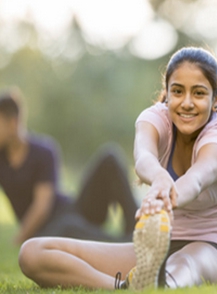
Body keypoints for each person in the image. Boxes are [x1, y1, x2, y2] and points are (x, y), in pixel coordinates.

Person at [18, 47, 217, 290]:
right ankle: (125, 287)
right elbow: (144, 157)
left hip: (210, 248)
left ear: (215, 99)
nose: (186, 103)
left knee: (185, 264)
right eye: (177, 91)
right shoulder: (154, 119)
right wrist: (160, 179)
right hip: (154, 250)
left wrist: (166, 197)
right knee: (32, 252)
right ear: (167, 93)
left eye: (198, 93)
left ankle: (164, 284)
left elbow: (197, 179)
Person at [0, 88, 139, 245]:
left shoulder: (44, 151)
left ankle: (137, 229)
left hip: (71, 211)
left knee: (109, 158)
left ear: (12, 123)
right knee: (68, 228)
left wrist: (17, 240)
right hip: (47, 231)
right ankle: (125, 245)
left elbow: (42, 207)